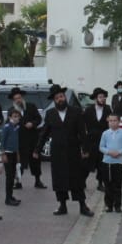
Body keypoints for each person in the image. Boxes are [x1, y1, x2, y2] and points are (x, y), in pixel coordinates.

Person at [39, 84, 91, 216]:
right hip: (57, 153)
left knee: (77, 180)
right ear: (54, 100)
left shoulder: (75, 111)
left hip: (73, 151)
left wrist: (85, 148)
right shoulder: (50, 114)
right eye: (57, 98)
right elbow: (44, 133)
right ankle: (62, 206)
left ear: (65, 97)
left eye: (61, 96)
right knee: (59, 180)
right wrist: (36, 149)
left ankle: (83, 206)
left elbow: (82, 132)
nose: (60, 99)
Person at [11, 87, 45, 190]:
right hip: (20, 141)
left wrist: (32, 123)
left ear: (22, 98)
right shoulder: (12, 111)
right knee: (19, 163)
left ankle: (38, 181)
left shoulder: (31, 106)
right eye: (16, 98)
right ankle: (18, 182)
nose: (18, 100)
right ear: (13, 100)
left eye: (19, 97)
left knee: (35, 161)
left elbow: (39, 119)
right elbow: (10, 124)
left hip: (32, 139)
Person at [82, 87, 113, 191]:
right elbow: (83, 124)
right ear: (95, 99)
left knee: (102, 164)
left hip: (103, 140)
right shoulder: (89, 109)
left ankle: (100, 183)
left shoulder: (108, 109)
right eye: (100, 97)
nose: (103, 99)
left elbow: (111, 124)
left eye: (104, 97)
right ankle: (82, 181)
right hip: (91, 140)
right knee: (87, 162)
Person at [99, 112, 122, 213]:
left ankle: (117, 205)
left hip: (118, 162)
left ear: (119, 121)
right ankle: (109, 205)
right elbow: (101, 147)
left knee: (117, 185)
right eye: (110, 121)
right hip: (107, 162)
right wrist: (108, 152)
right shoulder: (105, 133)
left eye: (114, 121)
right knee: (108, 184)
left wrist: (119, 152)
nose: (112, 123)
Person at [0, 108, 23, 207]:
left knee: (13, 175)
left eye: (18, 116)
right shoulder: (7, 127)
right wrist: (3, 154)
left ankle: (11, 196)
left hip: (14, 153)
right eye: (14, 116)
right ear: (10, 117)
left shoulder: (16, 127)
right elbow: (2, 142)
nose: (17, 118)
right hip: (8, 154)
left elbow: (16, 142)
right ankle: (7, 199)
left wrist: (17, 154)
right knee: (9, 177)